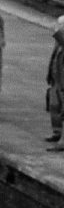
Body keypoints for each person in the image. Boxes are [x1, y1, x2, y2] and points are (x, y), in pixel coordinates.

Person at [46, 16, 64, 149]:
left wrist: (56, 32)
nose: (57, 26)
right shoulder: (58, 42)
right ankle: (57, 132)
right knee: (54, 107)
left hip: (62, 82)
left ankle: (62, 141)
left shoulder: (61, 40)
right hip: (55, 80)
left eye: (60, 24)